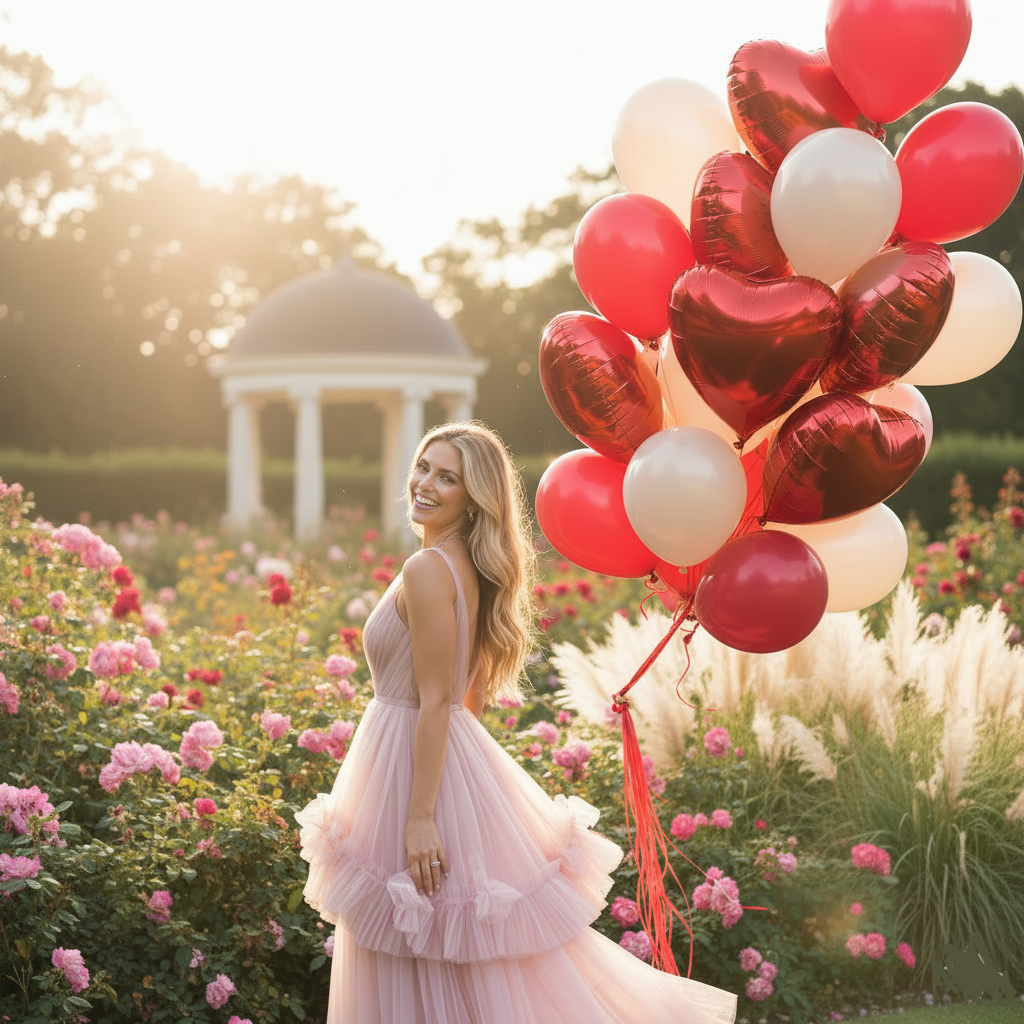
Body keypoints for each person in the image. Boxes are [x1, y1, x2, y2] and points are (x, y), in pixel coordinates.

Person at [295, 421, 737, 1023]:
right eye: (424, 466)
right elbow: (466, 695)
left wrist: (422, 816)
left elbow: (434, 699)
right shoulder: (463, 567)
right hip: (434, 761)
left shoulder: (429, 568)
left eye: (446, 477)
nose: (425, 483)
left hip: (409, 772)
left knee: (412, 945)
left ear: (473, 499)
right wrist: (464, 793)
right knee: (437, 950)